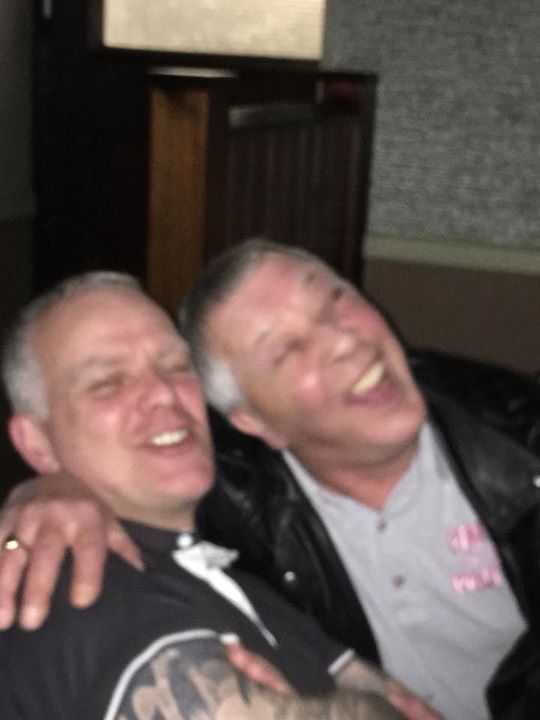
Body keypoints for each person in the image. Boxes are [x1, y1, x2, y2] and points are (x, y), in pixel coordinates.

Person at [1, 241, 539, 717]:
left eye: (176, 367)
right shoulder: (83, 589)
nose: (164, 393)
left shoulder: (227, 572)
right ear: (253, 422)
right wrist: (44, 487)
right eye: (107, 383)